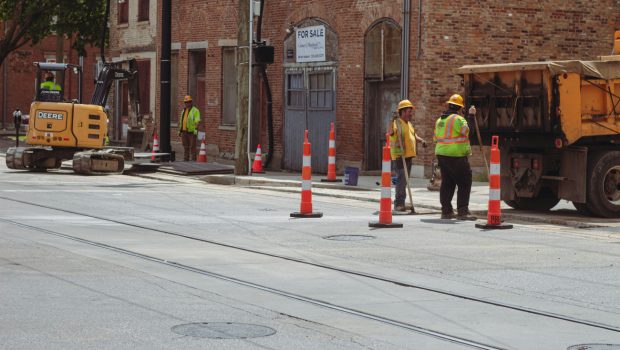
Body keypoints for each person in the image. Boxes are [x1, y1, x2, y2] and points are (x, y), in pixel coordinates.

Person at [433, 94, 477, 220]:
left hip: (442, 155)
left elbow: (435, 138)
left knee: (447, 182)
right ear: (460, 108)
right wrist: (471, 116)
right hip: (456, 156)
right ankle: (463, 211)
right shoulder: (458, 120)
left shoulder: (440, 120)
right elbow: (470, 132)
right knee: (464, 182)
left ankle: (446, 211)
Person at [387, 99, 427, 212]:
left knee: (405, 180)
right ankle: (399, 203)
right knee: (402, 180)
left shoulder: (408, 124)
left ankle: (401, 202)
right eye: (409, 111)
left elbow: (414, 135)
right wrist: (391, 120)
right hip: (400, 156)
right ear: (403, 111)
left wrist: (422, 140)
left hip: (408, 156)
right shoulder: (397, 123)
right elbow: (390, 132)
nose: (411, 113)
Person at [179, 95, 201, 161]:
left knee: (192, 147)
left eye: (188, 102)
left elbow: (197, 121)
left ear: (191, 102)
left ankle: (193, 160)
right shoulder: (183, 110)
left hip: (191, 132)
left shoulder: (195, 110)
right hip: (184, 131)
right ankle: (186, 159)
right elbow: (182, 121)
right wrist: (180, 131)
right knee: (185, 147)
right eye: (186, 102)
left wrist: (195, 130)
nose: (187, 103)